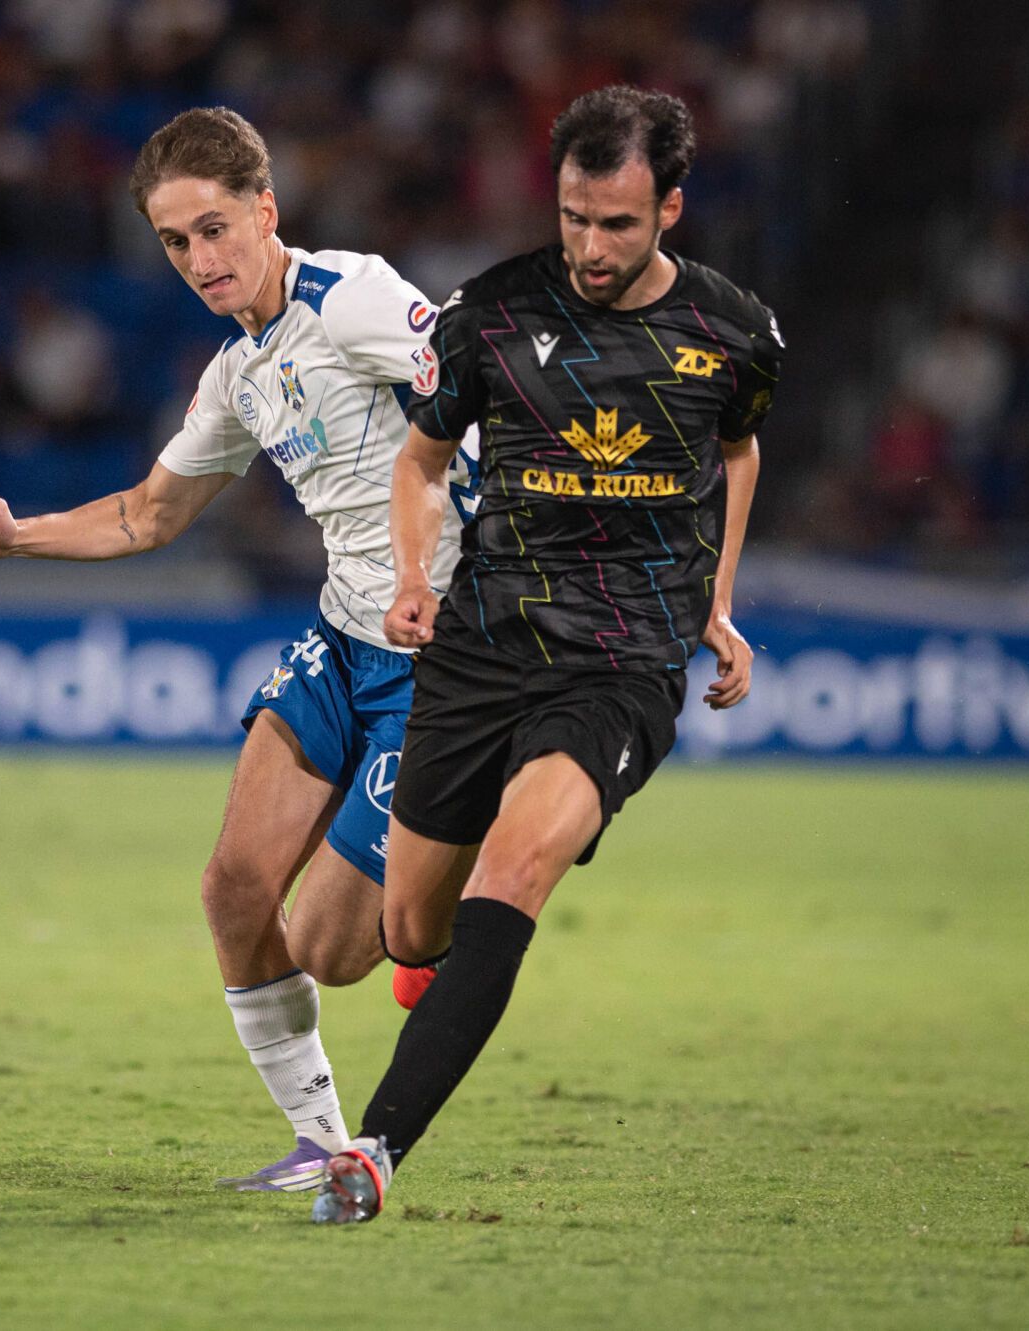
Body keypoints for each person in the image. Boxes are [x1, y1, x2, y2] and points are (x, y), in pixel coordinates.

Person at [0, 108, 480, 1192]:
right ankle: (319, 1142)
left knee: (331, 946)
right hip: (343, 638)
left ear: (266, 211)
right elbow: (147, 514)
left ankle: (445, 880)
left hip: (443, 654)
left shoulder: (350, 297)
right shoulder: (237, 374)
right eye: (175, 243)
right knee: (231, 888)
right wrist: (16, 533)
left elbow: (479, 392)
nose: (199, 260)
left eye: (215, 229)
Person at [312, 86, 779, 1224]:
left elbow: (737, 447)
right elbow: (421, 462)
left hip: (619, 665)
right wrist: (416, 578)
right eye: (573, 215)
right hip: (479, 648)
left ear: (667, 208)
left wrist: (714, 601)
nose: (588, 245)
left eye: (615, 223)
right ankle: (437, 963)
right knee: (407, 928)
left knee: (509, 874)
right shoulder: (488, 314)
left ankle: (372, 1147)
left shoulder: (730, 331)